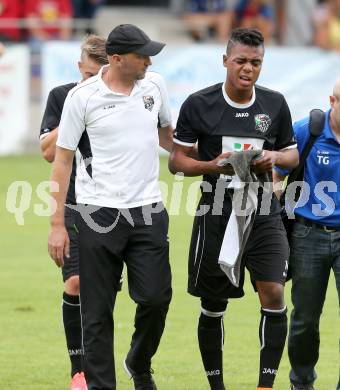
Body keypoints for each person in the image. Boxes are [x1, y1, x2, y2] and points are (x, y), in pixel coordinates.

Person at [169, 27, 298, 390]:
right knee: (214, 303)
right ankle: (217, 386)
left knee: (273, 292)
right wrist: (213, 165)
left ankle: (264, 386)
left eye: (256, 62)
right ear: (225, 60)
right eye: (241, 61)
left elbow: (291, 153)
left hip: (263, 210)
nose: (248, 69)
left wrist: (273, 156)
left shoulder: (274, 104)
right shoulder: (199, 103)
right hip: (216, 211)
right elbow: (177, 161)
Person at [48, 24, 173, 390]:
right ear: (118, 60)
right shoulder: (82, 97)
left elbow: (169, 137)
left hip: (148, 211)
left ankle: (138, 360)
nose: (149, 60)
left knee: (155, 299)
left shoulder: (155, 86)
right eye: (142, 55)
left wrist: (211, 156)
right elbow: (62, 160)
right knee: (97, 312)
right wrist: (57, 224)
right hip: (97, 213)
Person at [40, 34, 108, 390]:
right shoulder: (62, 96)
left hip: (114, 206)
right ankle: (77, 371)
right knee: (76, 282)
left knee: (104, 291)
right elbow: (49, 153)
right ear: (78, 69)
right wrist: (73, 109)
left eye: (96, 76)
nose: (89, 83)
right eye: (85, 75)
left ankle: (107, 366)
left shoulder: (119, 101)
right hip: (73, 205)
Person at [273, 79, 340, 390]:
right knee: (305, 320)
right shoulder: (307, 130)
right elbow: (277, 173)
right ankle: (301, 382)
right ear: (332, 100)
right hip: (307, 235)